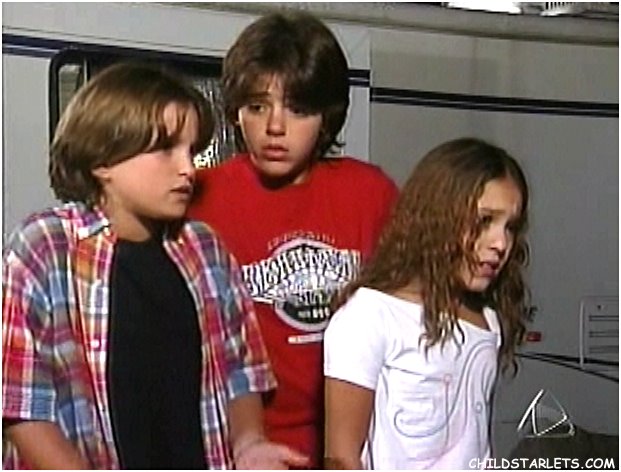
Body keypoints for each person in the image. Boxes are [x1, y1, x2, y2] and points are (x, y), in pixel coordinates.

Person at [2, 61, 308, 470]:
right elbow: (20, 402)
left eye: (191, 151)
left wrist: (249, 443)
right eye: (166, 149)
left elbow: (242, 372)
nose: (188, 169)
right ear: (103, 159)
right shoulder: (45, 247)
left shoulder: (205, 249)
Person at [188, 11, 399, 467]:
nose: (275, 127)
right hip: (239, 448)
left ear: (326, 117)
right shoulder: (200, 199)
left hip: (356, 442)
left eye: (298, 109)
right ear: (235, 111)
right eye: (258, 107)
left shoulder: (371, 194)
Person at [323, 137, 531, 469]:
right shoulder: (370, 315)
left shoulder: (488, 320)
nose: (500, 243)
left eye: (511, 227)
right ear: (437, 218)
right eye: (484, 221)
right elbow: (341, 457)